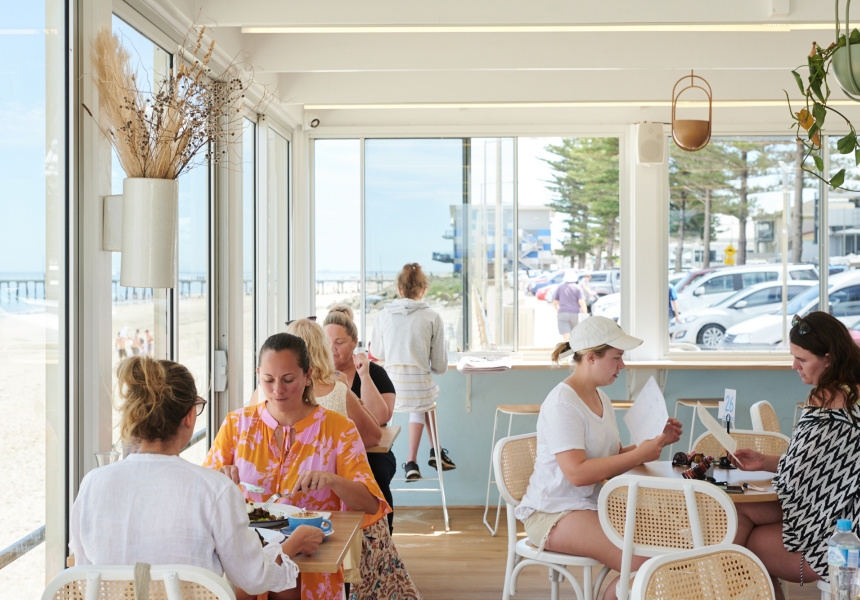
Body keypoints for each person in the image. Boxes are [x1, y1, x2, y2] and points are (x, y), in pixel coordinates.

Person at [69, 356, 322, 600]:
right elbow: (253, 578)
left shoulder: (92, 484)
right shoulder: (214, 490)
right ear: (189, 416)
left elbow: (84, 577)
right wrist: (293, 544)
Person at [205, 333, 419, 600]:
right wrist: (220, 478)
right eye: (268, 380)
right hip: (249, 562)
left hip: (314, 564)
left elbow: (372, 504)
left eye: (288, 380)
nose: (277, 391)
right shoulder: (237, 425)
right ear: (258, 374)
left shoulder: (338, 429)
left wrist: (332, 480)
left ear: (307, 376)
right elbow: (204, 490)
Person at [515, 316, 682, 600]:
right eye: (616, 358)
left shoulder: (600, 398)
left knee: (667, 548)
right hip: (555, 512)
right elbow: (578, 474)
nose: (623, 366)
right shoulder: (562, 405)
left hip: (591, 504)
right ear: (591, 358)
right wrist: (640, 453)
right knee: (647, 563)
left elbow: (613, 456)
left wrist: (655, 442)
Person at [729, 311, 860, 598]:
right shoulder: (852, 394)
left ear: (828, 358)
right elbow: (822, 469)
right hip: (846, 516)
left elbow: (795, 480)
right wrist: (766, 462)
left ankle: (715, 584)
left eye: (801, 359)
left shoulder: (827, 398)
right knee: (740, 521)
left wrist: (778, 468)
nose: (794, 366)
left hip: (842, 534)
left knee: (738, 538)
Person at [371, 262, 453, 482]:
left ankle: (413, 461)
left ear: (399, 289)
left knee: (423, 397)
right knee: (426, 398)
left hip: (391, 393)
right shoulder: (432, 317)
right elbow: (440, 366)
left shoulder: (383, 315)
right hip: (419, 392)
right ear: (423, 290)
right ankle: (429, 452)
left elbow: (377, 352)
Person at [324, 304, 397, 532]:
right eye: (327, 342)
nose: (332, 349)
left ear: (354, 343)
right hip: (330, 453)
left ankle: (382, 537)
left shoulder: (374, 373)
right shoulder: (315, 375)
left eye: (339, 342)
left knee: (375, 475)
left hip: (370, 453)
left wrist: (364, 376)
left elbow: (381, 417)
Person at [284, 318, 382, 449]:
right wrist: (347, 389)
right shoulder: (337, 392)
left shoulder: (264, 391)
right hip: (324, 468)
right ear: (323, 349)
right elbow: (373, 437)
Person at [553, 270, 588, 342]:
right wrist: (584, 314)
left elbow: (555, 302)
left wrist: (558, 310)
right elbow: (582, 302)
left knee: (566, 334)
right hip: (575, 314)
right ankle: (574, 349)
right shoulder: (577, 288)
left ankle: (568, 348)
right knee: (574, 333)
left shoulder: (560, 287)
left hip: (562, 313)